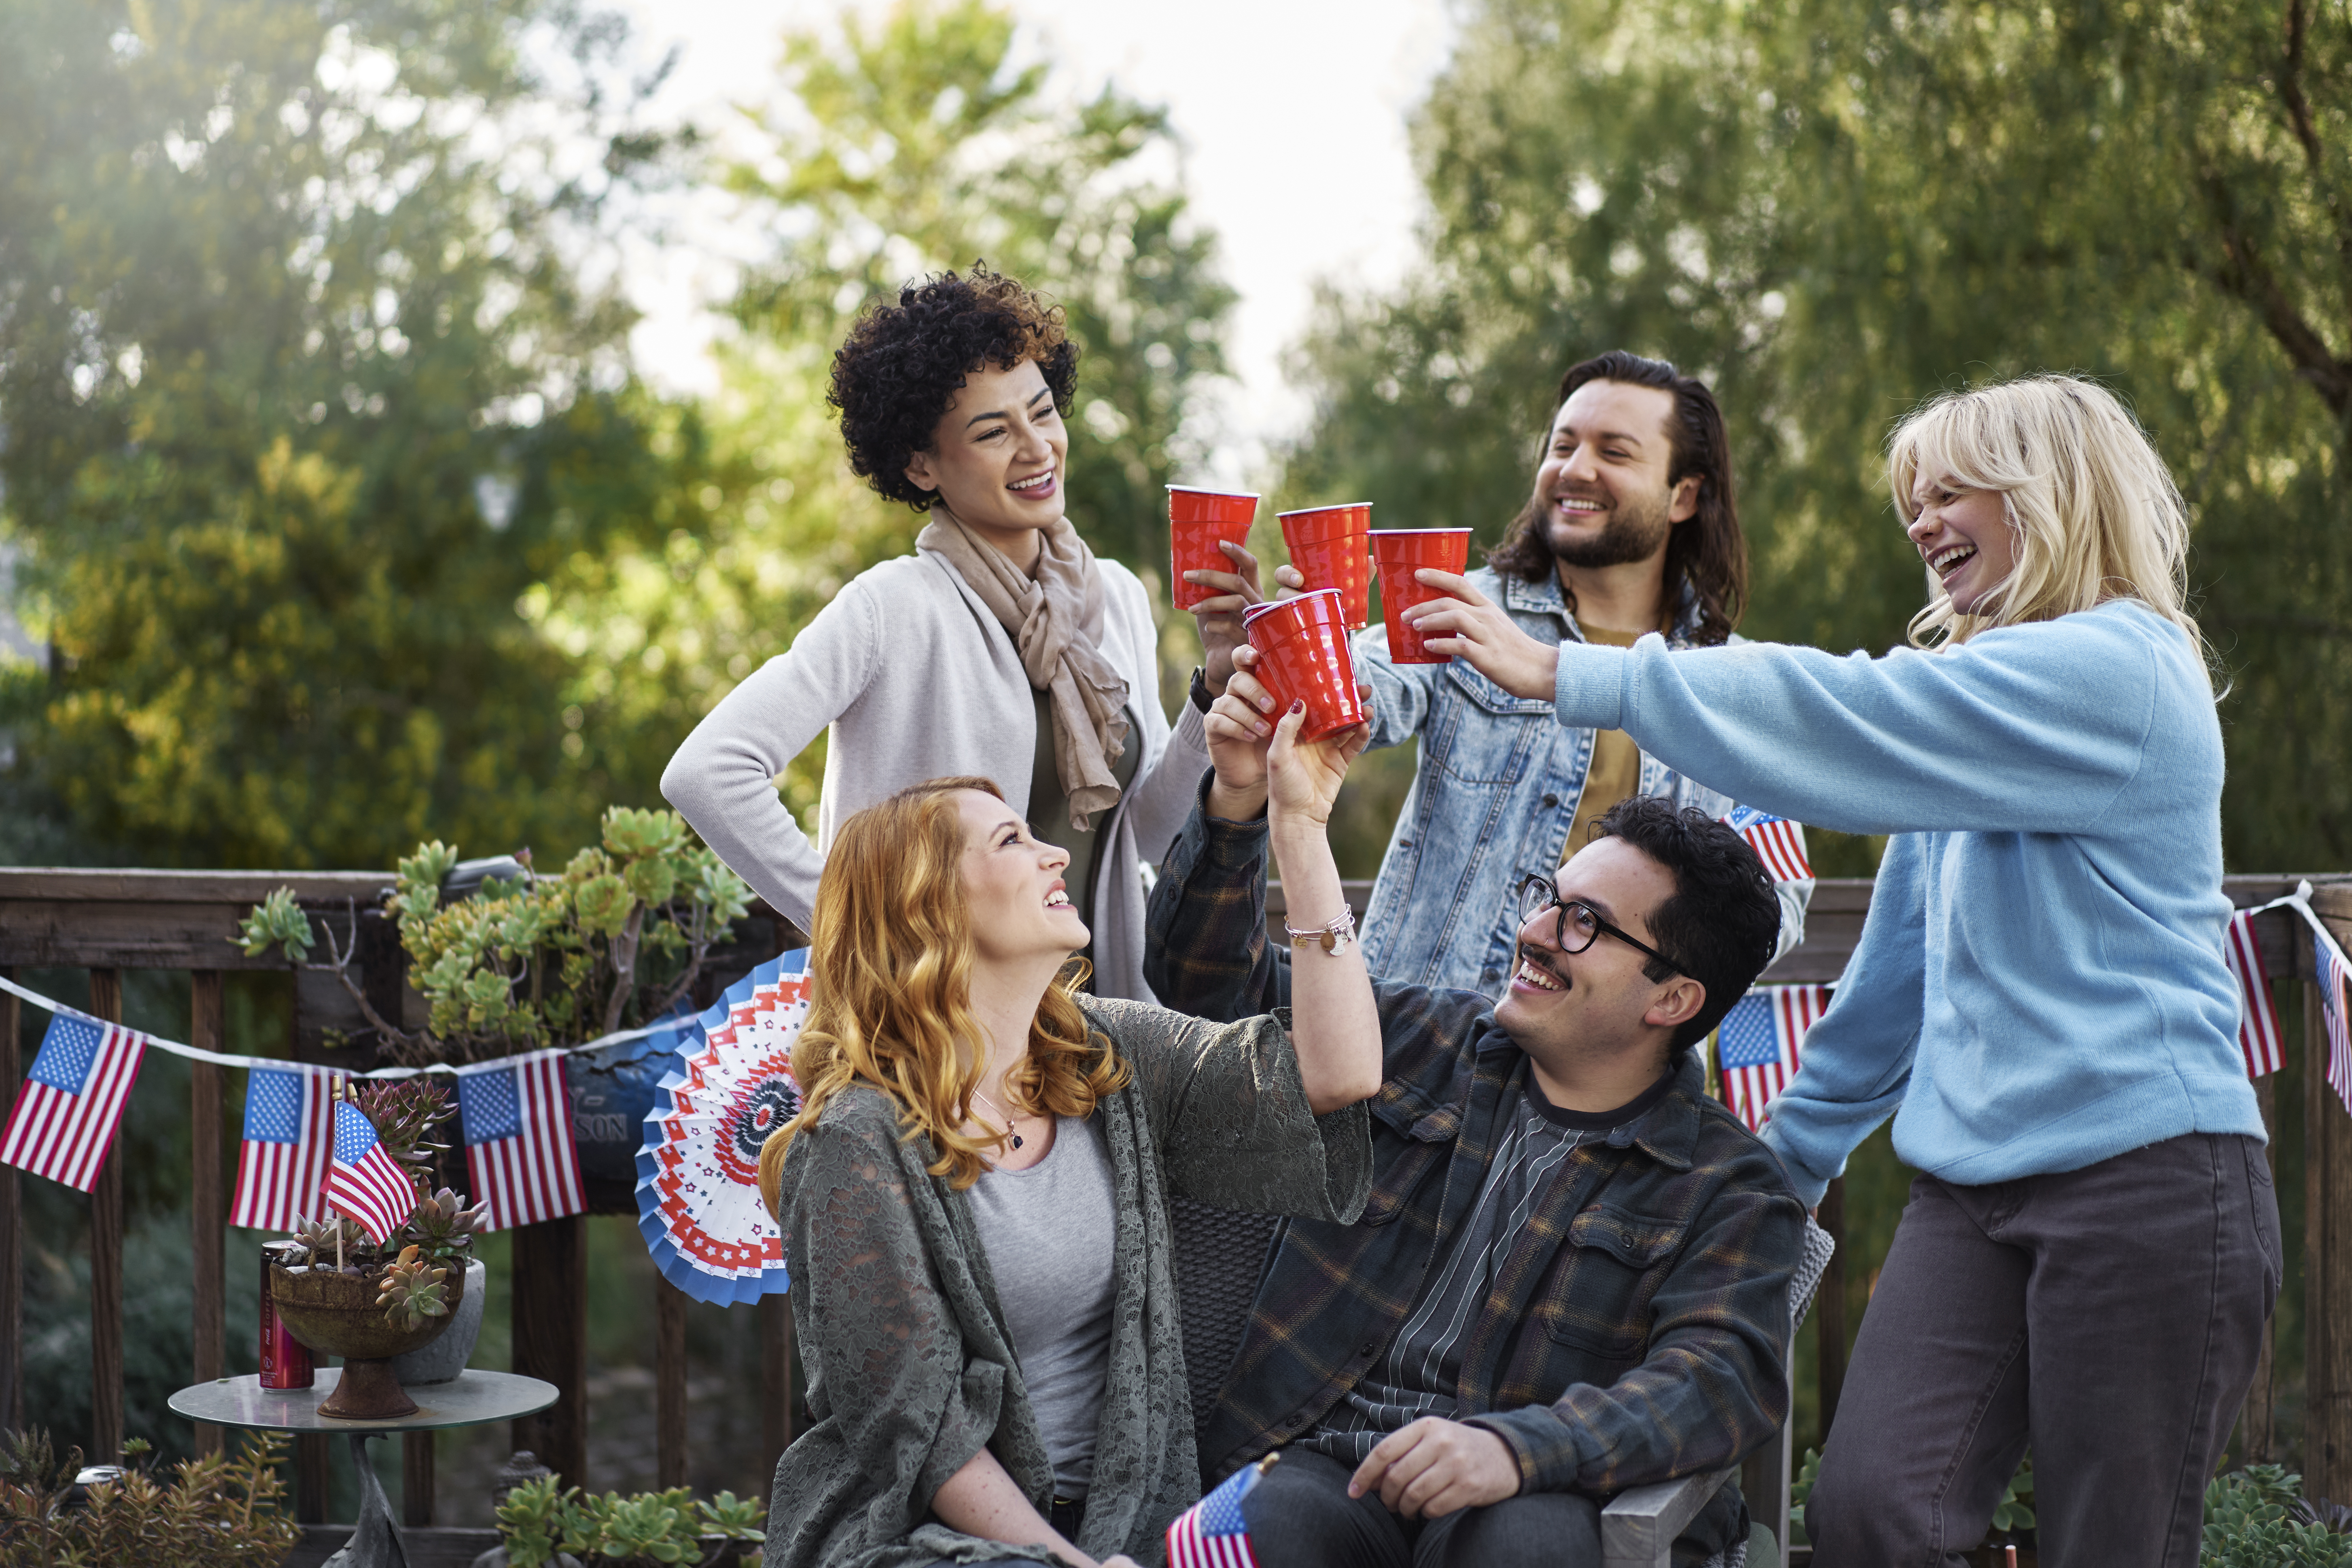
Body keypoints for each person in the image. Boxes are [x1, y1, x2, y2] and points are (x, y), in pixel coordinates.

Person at [1403, 373, 2278, 1566]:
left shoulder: (2120, 669)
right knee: (1872, 1513)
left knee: (2108, 1543)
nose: (1917, 521)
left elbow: (1843, 711)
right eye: (1910, 498)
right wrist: (1782, 1165)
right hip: (1968, 1189)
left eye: (1949, 492)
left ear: (2051, 494)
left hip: (2146, 1183)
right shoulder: (1975, 727)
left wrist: (1572, 674)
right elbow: (1895, 980)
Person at [1143, 656, 1805, 1568]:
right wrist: (1237, 802)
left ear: (1672, 1001)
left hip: (1530, 1495)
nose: (1535, 932)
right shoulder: (1416, 1040)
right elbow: (1211, 990)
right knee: (1249, 1535)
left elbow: (1719, 1382)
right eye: (1552, 901)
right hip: (1321, 1465)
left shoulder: (1728, 1189)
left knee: (1525, 1545)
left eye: (1586, 924)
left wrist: (1517, 1450)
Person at [757, 695, 1384, 1568]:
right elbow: (924, 1432)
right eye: (1011, 840)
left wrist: (1302, 826)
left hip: (1128, 1522)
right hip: (923, 1538)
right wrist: (1072, 1566)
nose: (1057, 851)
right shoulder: (856, 1142)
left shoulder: (1102, 1056)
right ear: (922, 905)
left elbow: (1337, 1075)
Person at [662, 264, 1260, 1003]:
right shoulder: (891, 608)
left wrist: (1215, 682)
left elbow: (1138, 835)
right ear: (920, 465)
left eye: (1042, 413)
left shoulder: (1113, 595)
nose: (1036, 448)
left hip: (1099, 1022)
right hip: (938, 1035)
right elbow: (707, 771)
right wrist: (865, 934)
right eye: (992, 432)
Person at [1254, 350, 1810, 994]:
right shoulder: (1462, 608)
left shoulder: (1729, 682)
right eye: (1562, 445)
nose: (1575, 470)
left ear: (1683, 495)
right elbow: (1353, 701)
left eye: (1615, 452)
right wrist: (1309, 642)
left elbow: (1777, 906)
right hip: (1427, 1056)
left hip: (1617, 1075)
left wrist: (1641, 968)